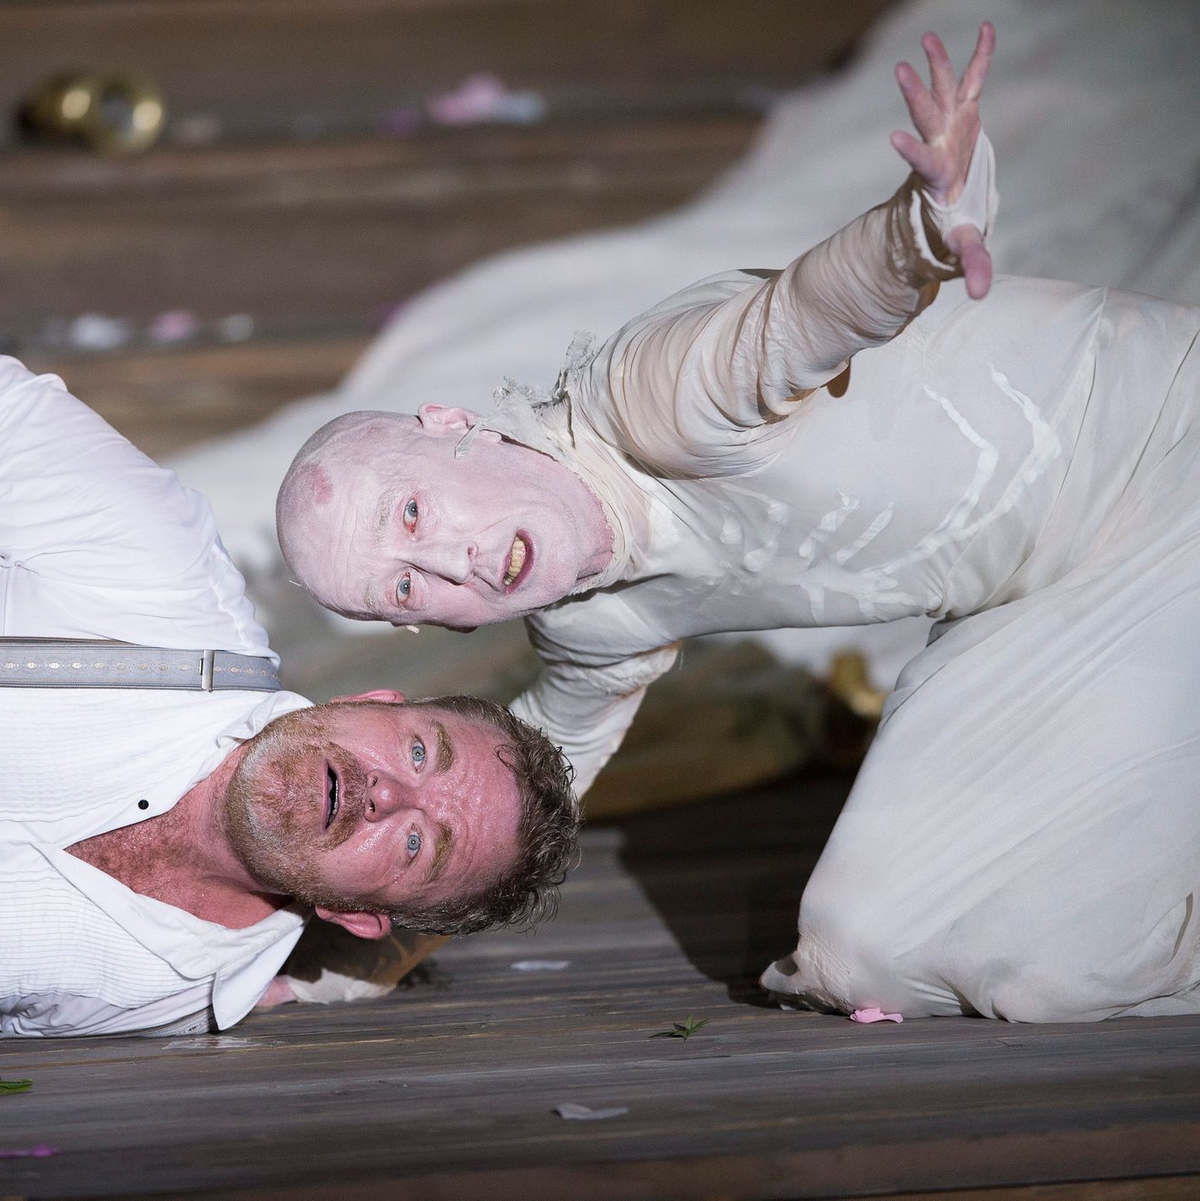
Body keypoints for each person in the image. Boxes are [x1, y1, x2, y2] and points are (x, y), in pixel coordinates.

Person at [277, 23, 1200, 1022]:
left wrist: (928, 221)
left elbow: (803, 313)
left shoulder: (650, 398)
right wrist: (345, 969)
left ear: (452, 427)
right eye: (406, 586)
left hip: (1169, 455)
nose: (449, 559)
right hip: (1034, 599)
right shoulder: (593, 625)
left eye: (414, 510)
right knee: (871, 953)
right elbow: (522, 790)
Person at [0, 357, 577, 1037]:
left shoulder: (170, 994)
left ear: (356, 915)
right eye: (419, 751)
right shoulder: (163, 581)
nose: (388, 795)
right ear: (373, 700)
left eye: (418, 843)